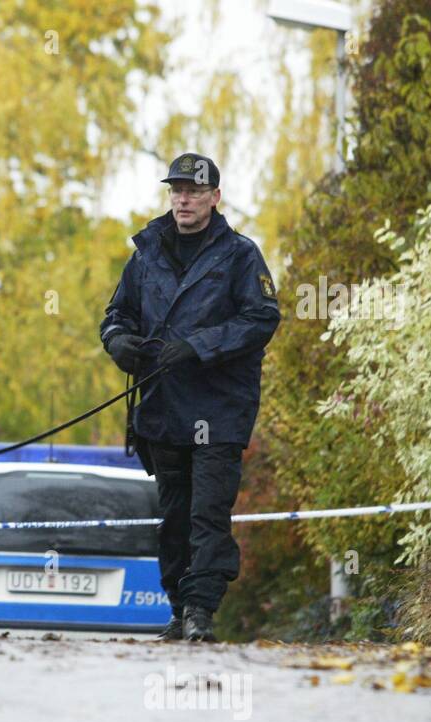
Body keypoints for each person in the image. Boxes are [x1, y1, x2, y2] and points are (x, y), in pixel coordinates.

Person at [100, 152, 280, 642]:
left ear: (214, 198)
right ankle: (180, 609)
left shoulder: (241, 255)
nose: (184, 198)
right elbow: (117, 315)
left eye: (194, 191)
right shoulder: (145, 255)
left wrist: (198, 347)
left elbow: (262, 319)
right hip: (162, 407)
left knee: (208, 513)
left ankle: (201, 609)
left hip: (218, 409)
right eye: (177, 190)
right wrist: (119, 342)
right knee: (174, 515)